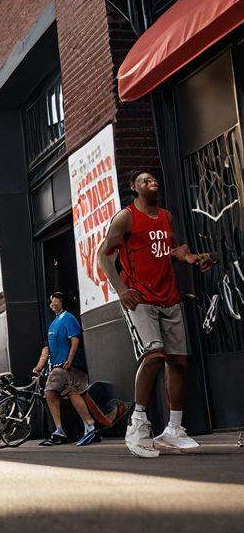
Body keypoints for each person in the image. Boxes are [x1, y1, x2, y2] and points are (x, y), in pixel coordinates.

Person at [97, 169, 213, 458]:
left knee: (178, 362)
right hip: (140, 299)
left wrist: (192, 258)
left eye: (153, 179)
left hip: (169, 297)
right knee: (154, 354)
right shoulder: (125, 217)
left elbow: (171, 249)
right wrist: (121, 290)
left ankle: (174, 430)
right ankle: (137, 424)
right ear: (134, 187)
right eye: (144, 180)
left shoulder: (165, 216)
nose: (152, 182)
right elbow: (103, 255)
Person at [33, 292, 99, 446]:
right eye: (51, 302)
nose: (53, 304)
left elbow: (75, 340)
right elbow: (47, 348)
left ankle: (64, 430)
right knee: (70, 392)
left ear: (62, 302)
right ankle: (88, 427)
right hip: (59, 366)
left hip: (67, 366)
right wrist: (39, 367)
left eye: (55, 301)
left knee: (51, 391)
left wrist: (69, 360)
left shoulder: (68, 318)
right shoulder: (53, 323)